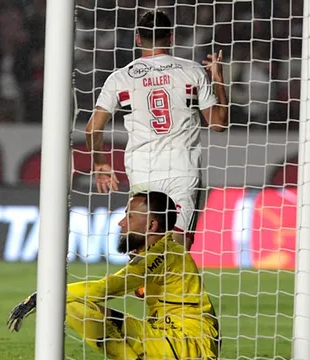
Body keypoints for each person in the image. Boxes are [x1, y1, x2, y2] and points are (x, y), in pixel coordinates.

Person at [7, 191, 220, 360]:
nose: (121, 223)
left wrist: (40, 296)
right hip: (162, 333)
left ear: (151, 225)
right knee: (71, 306)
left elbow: (104, 289)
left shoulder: (160, 254)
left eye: (130, 216)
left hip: (189, 343)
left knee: (69, 304)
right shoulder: (163, 253)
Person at [85, 9, 229, 253]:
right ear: (171, 38)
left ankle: (145, 290)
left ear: (138, 39)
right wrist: (218, 78)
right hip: (183, 171)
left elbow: (92, 129)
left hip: (143, 172)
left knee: (141, 249)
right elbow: (217, 124)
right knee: (178, 250)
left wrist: (100, 164)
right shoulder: (192, 71)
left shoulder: (121, 78)